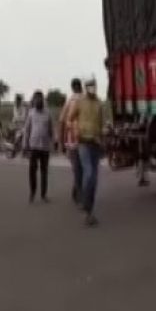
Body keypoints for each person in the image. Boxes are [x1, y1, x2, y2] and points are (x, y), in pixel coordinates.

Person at [69, 76, 105, 227]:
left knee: (94, 179)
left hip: (95, 143)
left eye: (93, 85)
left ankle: (89, 211)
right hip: (83, 142)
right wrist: (76, 130)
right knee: (88, 173)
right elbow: (70, 119)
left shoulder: (99, 104)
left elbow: (101, 123)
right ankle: (84, 201)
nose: (92, 87)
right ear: (85, 87)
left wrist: (103, 141)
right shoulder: (79, 102)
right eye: (89, 85)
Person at [23, 90, 54, 203]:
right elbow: (27, 130)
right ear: (34, 100)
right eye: (36, 99)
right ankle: (32, 192)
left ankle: (43, 194)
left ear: (43, 100)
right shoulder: (31, 113)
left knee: (44, 172)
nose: (38, 101)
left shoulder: (48, 113)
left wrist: (53, 143)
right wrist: (25, 145)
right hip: (33, 146)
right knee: (32, 171)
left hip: (45, 147)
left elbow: (51, 130)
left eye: (39, 99)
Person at [58, 78, 83, 205]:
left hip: (72, 140)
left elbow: (61, 122)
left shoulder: (69, 102)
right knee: (83, 168)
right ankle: (78, 192)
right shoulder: (85, 100)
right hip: (84, 139)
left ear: (72, 87)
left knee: (77, 168)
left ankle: (78, 191)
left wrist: (61, 142)